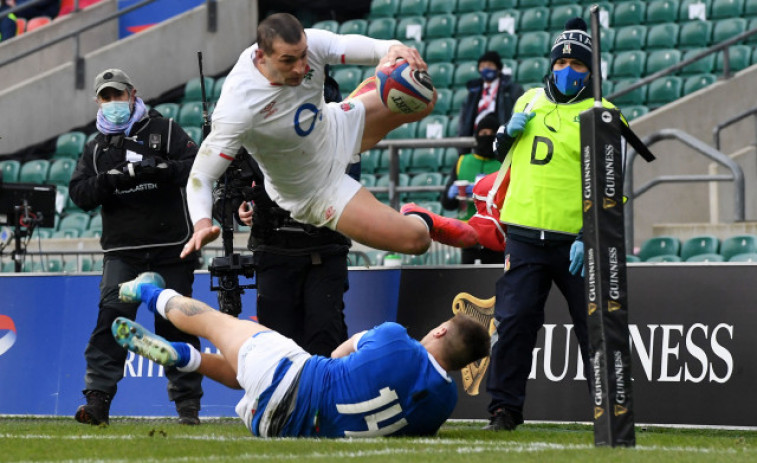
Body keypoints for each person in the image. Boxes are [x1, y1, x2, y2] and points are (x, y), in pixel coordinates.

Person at [181, 13, 477, 263]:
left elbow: (370, 47)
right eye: (287, 61)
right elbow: (201, 177)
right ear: (262, 57)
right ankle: (420, 217)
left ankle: (369, 92)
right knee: (417, 240)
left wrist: (395, 51)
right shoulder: (238, 106)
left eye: (302, 57)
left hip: (336, 126)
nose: (300, 67)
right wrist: (202, 223)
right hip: (315, 190)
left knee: (422, 95)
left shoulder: (310, 45)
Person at [111, 272, 491, 438]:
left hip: (294, 378)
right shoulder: (444, 403)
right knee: (249, 371)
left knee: (213, 322)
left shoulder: (396, 339)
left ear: (441, 330)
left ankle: (147, 292)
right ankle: (183, 357)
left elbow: (341, 351)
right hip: (276, 427)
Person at [483, 18, 620, 431]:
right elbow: (495, 151)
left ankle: (612, 410)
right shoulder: (527, 100)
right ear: (551, 63)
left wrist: (588, 234)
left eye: (578, 65)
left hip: (579, 243)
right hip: (524, 238)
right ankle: (503, 410)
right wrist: (506, 132)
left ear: (591, 72)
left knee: (595, 328)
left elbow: (614, 187)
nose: (568, 70)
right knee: (514, 324)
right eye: (562, 61)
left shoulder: (604, 114)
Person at [69, 68, 204, 426]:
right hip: (122, 252)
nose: (113, 103)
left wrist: (161, 169)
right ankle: (97, 403)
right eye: (106, 96)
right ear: (98, 101)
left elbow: (197, 166)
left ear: (133, 94)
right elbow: (79, 194)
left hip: (171, 247)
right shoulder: (95, 147)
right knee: (111, 321)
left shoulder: (167, 129)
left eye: (119, 95)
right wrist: (108, 181)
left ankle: (187, 406)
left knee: (176, 324)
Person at [440, 113, 503, 264]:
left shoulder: (504, 164)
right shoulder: (463, 161)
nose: (488, 137)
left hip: (496, 234)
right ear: (477, 135)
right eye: (483, 133)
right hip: (468, 235)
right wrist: (451, 195)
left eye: (492, 134)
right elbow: (447, 204)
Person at [457, 50, 523, 155]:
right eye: (482, 66)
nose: (486, 69)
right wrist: (463, 149)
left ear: (498, 68)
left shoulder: (511, 89)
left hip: (500, 143)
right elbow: (464, 120)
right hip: (477, 143)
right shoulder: (473, 92)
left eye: (490, 65)